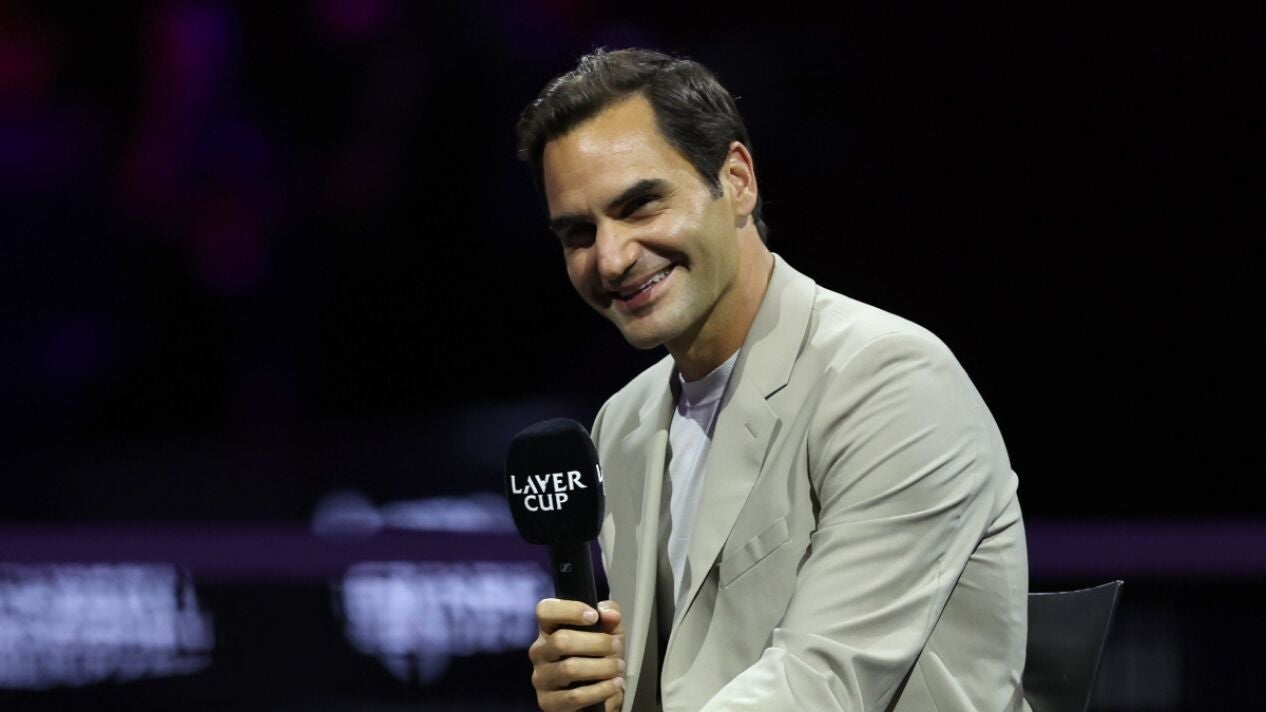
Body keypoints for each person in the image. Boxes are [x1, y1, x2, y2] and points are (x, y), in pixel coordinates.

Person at [516, 48, 1030, 712]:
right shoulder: (623, 423)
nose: (611, 259)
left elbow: (820, 683)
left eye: (641, 206)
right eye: (579, 234)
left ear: (736, 180)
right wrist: (591, 692)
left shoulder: (890, 380)